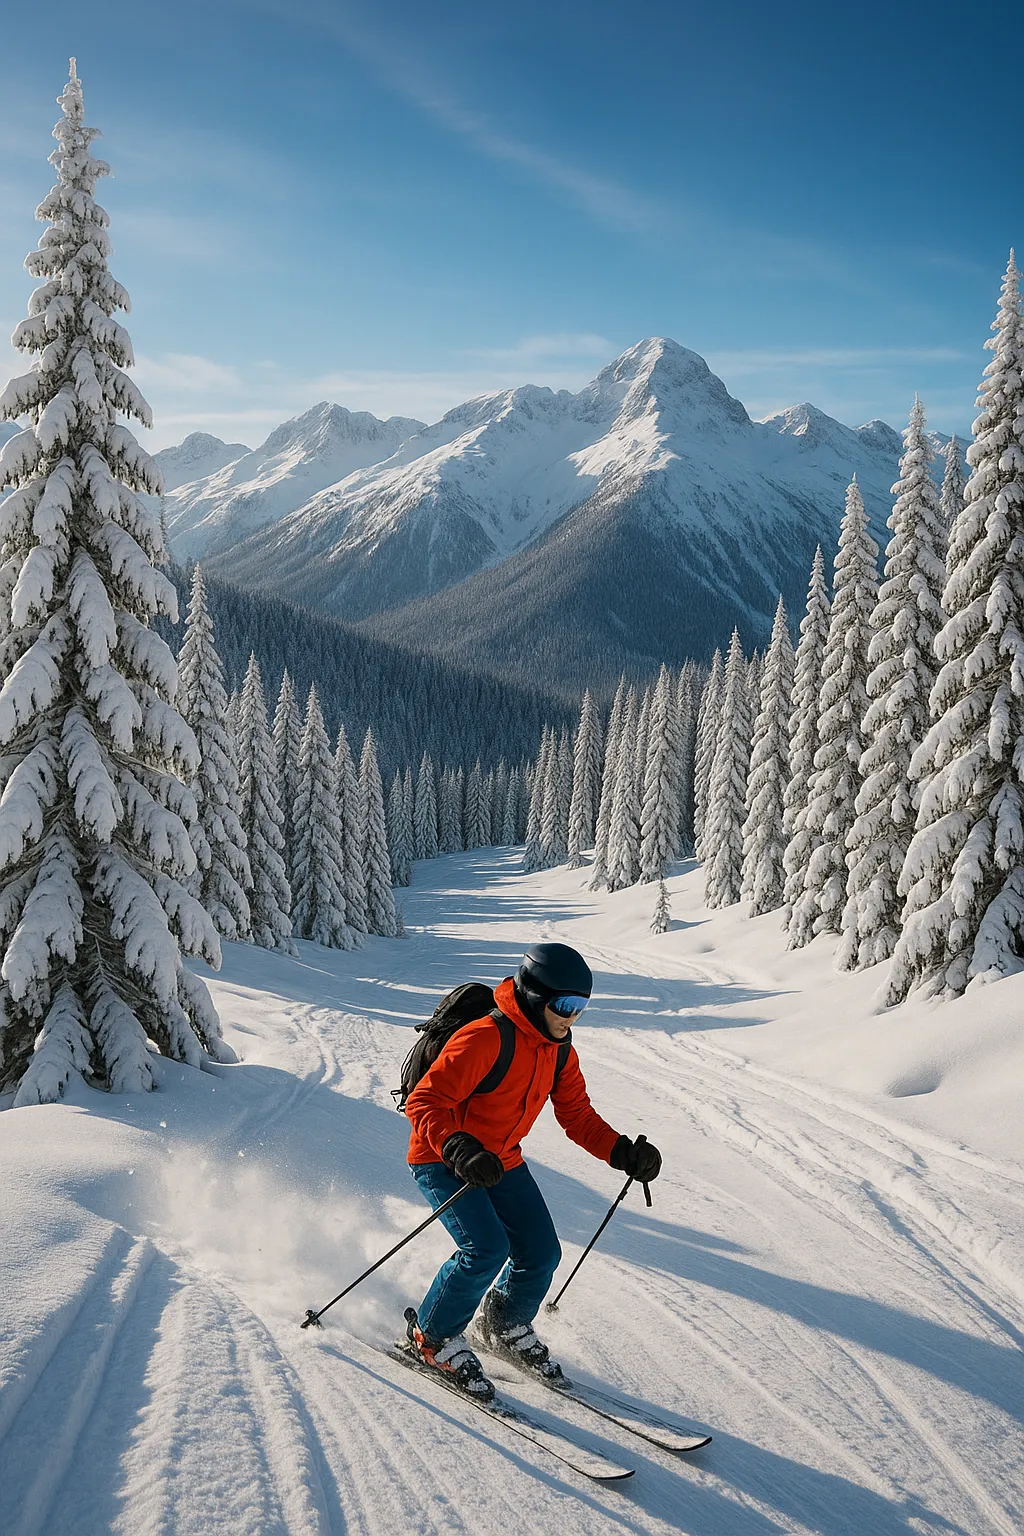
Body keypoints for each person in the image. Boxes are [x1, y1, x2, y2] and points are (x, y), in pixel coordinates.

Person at [403, 941, 662, 1400]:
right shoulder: (485, 1038)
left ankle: (504, 1324)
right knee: (485, 1249)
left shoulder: (558, 1050)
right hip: (442, 1158)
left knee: (541, 1252)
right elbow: (424, 1100)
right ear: (535, 996)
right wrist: (457, 1147)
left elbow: (577, 1115)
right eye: (565, 1005)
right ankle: (432, 1336)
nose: (572, 1017)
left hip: (501, 1160)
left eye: (581, 1007)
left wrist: (622, 1152)